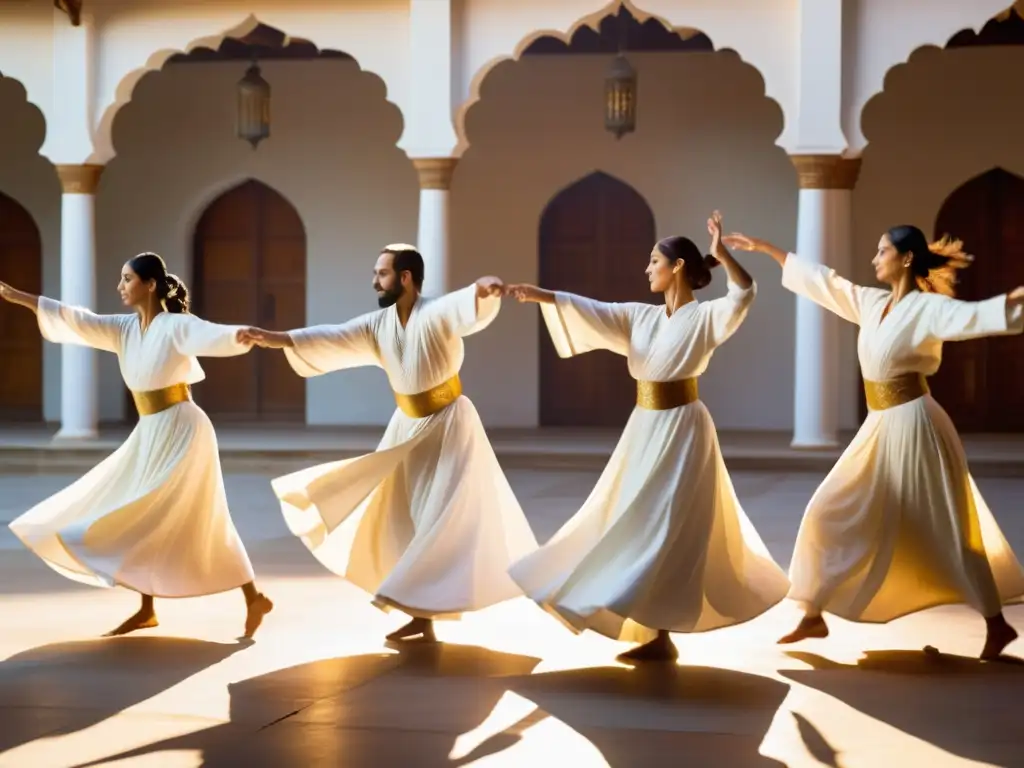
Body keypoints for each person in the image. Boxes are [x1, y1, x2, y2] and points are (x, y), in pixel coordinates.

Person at [722, 225, 1024, 659]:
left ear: (904, 259)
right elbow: (827, 284)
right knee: (829, 508)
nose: (874, 258)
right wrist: (768, 249)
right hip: (880, 425)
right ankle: (813, 613)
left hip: (918, 424)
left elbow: (972, 318)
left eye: (882, 251)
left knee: (950, 526)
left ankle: (996, 624)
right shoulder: (872, 302)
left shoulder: (928, 308)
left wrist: (1009, 305)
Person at [504, 213, 790, 663]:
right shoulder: (640, 317)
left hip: (684, 429)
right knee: (631, 517)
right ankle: (644, 623)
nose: (646, 269)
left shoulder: (707, 317)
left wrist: (723, 255)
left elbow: (745, 292)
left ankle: (659, 632)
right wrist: (539, 295)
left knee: (669, 524)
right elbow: (591, 309)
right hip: (644, 426)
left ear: (676, 267)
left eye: (653, 261)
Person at [241, 244, 538, 643]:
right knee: (404, 515)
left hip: (449, 424)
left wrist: (481, 291)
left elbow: (459, 305)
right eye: (376, 272)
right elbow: (334, 336)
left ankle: (427, 602)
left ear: (406, 278)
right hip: (407, 427)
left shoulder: (436, 312)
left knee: (439, 516)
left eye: (381, 273)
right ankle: (420, 612)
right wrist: (277, 338)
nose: (374, 280)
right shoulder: (377, 325)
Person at [0, 253, 273, 639]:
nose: (120, 286)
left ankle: (251, 596)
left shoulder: (176, 326)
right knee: (142, 512)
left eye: (127, 279)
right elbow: (79, 319)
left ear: (150, 284)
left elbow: (210, 333)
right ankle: (151, 609)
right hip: (150, 430)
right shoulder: (124, 329)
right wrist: (22, 298)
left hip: (183, 428)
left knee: (181, 513)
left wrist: (239, 334)